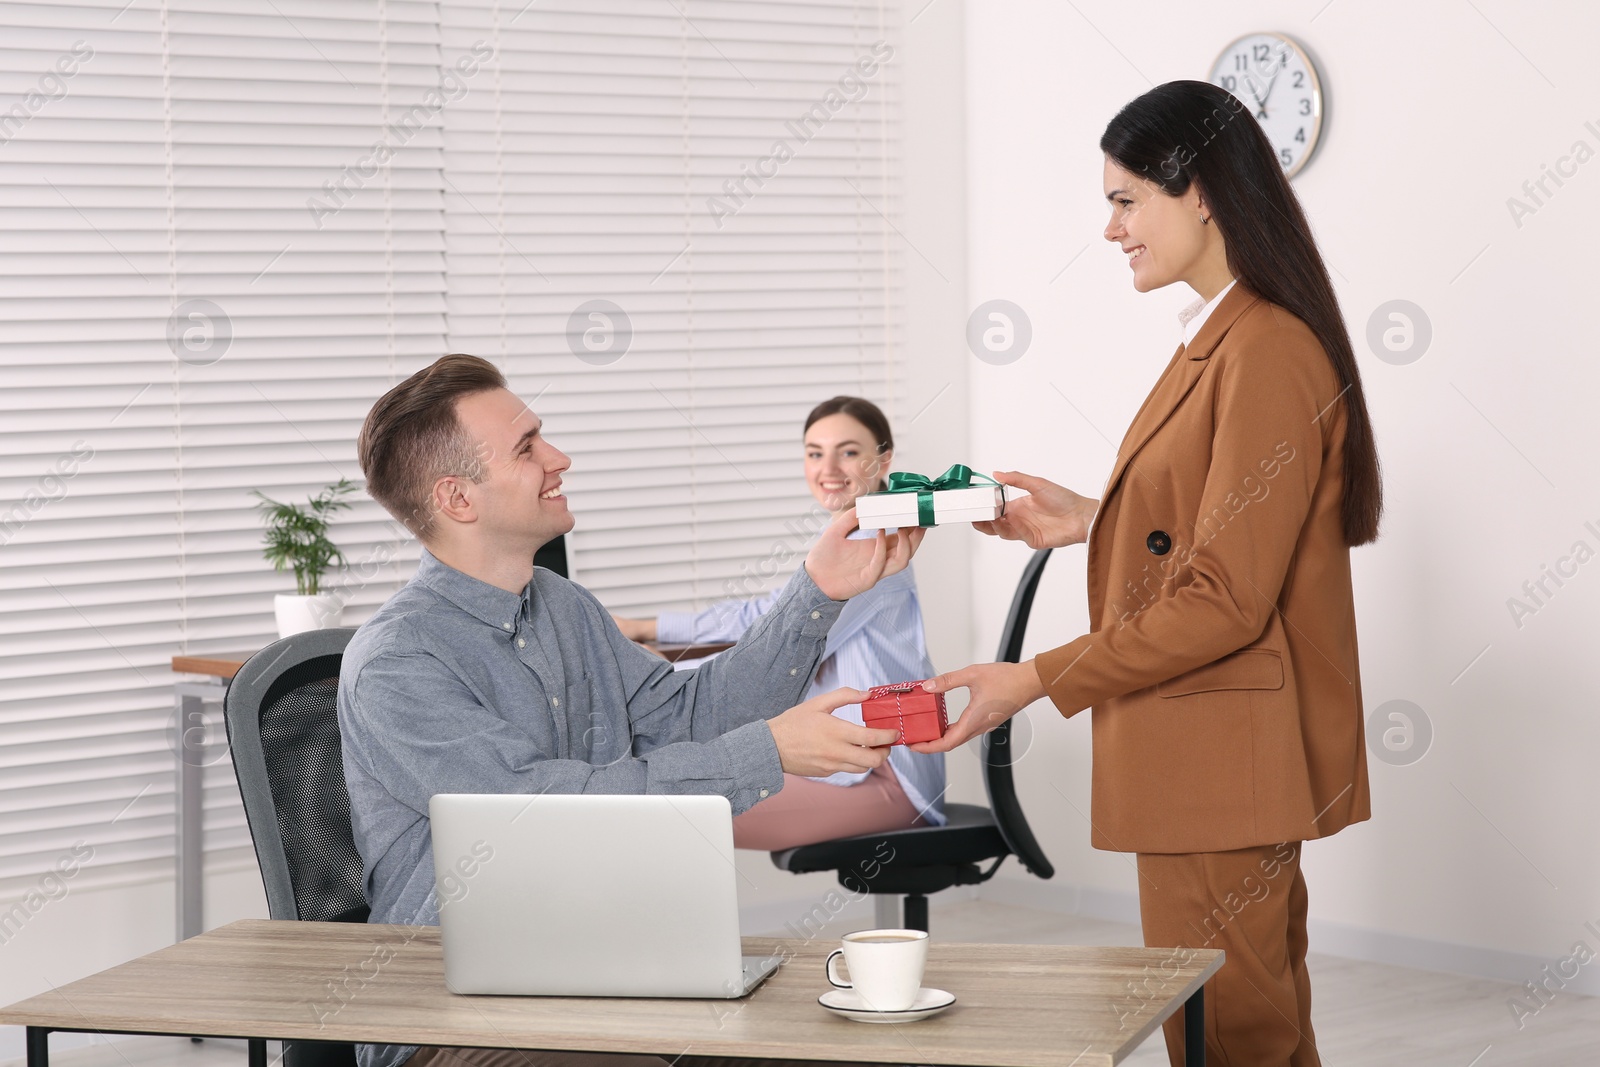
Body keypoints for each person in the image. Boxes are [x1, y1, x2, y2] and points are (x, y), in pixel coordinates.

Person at [911, 81, 1382, 1067]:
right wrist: (1094, 518)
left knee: (1232, 1033)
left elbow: (1222, 598)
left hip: (1221, 760)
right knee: (1249, 1023)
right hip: (1203, 757)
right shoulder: (1223, 340)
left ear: (1200, 190)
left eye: (1126, 199)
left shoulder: (1263, 351)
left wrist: (1030, 678)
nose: (1110, 227)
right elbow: (1219, 537)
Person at [338, 354, 923, 1067]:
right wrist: (768, 751)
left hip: (603, 974)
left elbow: (694, 713)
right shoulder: (398, 661)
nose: (560, 457)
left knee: (847, 1050)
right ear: (460, 498)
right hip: (455, 1023)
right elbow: (536, 813)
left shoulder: (566, 608)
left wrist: (817, 590)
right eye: (528, 447)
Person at [613, 396, 945, 850]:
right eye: (814, 452)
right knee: (662, 798)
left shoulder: (878, 549)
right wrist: (645, 630)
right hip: (849, 761)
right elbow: (765, 618)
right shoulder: (848, 540)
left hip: (887, 775)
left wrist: (660, 677)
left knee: (680, 811)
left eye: (848, 451)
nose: (828, 467)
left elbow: (771, 644)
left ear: (883, 458)